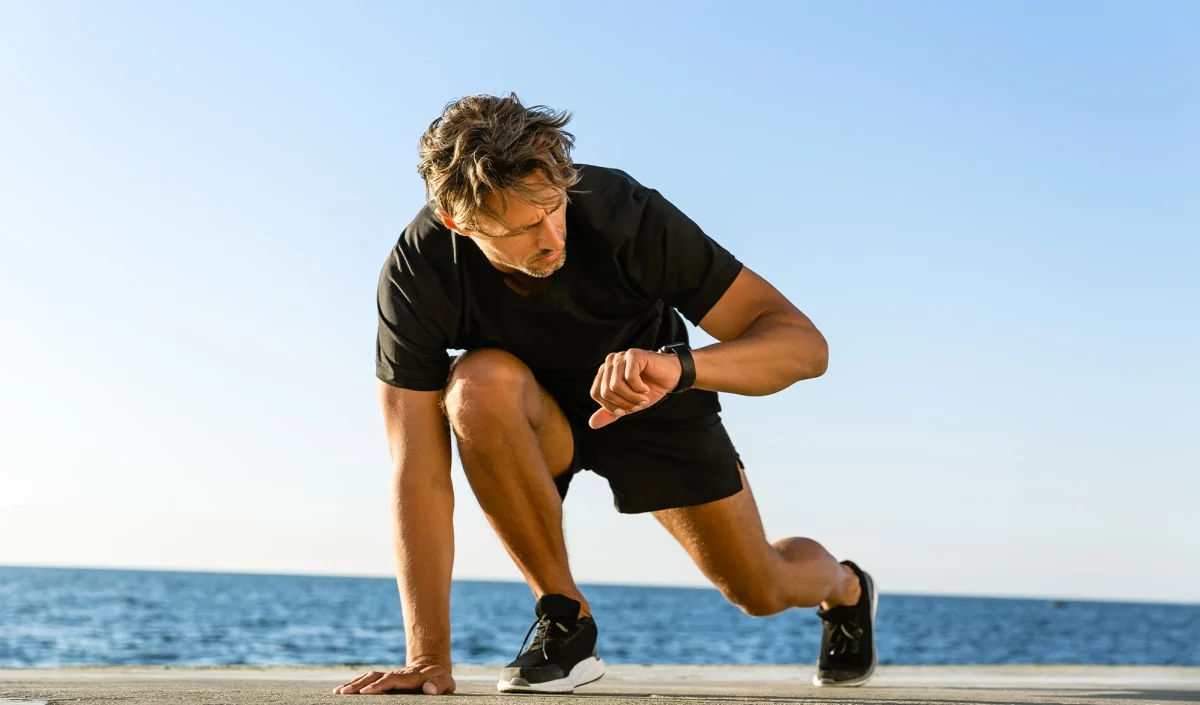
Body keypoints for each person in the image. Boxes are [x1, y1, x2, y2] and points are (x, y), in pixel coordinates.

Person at [334, 93, 877, 696]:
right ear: (461, 222)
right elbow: (418, 472)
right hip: (535, 420)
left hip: (654, 398)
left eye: (554, 207)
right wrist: (427, 656)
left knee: (761, 590)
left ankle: (846, 587)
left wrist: (681, 367)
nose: (551, 238)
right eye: (521, 227)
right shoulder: (419, 271)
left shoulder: (621, 211)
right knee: (475, 384)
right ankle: (565, 619)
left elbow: (804, 348)